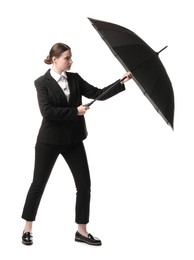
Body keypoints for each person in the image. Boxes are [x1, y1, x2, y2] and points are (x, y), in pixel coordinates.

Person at [21, 42, 132, 246]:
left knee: (84, 184)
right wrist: (75, 111)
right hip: (49, 141)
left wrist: (121, 82)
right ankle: (27, 228)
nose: (71, 61)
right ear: (54, 59)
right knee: (38, 184)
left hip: (73, 140)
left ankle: (81, 231)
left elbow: (98, 93)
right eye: (67, 58)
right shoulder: (41, 82)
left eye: (71, 57)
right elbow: (47, 112)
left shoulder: (75, 78)